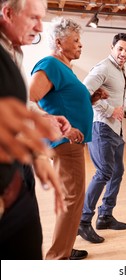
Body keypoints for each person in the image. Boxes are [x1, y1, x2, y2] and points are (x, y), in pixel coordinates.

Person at [29, 17, 104, 260]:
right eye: (76, 40)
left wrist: (91, 100)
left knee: (72, 197)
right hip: (64, 142)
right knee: (72, 198)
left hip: (72, 141)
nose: (80, 45)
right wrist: (63, 129)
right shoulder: (50, 64)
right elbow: (29, 100)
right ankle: (57, 257)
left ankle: (65, 247)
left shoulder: (64, 68)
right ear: (59, 42)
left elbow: (63, 101)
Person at [0, 0, 67, 260]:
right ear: (7, 13)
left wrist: (43, 119)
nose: (40, 28)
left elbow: (17, 104)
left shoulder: (14, 51)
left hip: (17, 172)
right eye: (33, 18)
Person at [78, 33, 126, 244]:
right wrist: (110, 110)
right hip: (101, 127)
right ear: (111, 47)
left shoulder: (119, 70)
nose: (123, 53)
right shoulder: (103, 68)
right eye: (120, 49)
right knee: (104, 172)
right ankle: (83, 222)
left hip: (115, 129)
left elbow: (116, 97)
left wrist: (125, 111)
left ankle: (105, 215)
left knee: (116, 171)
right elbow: (84, 92)